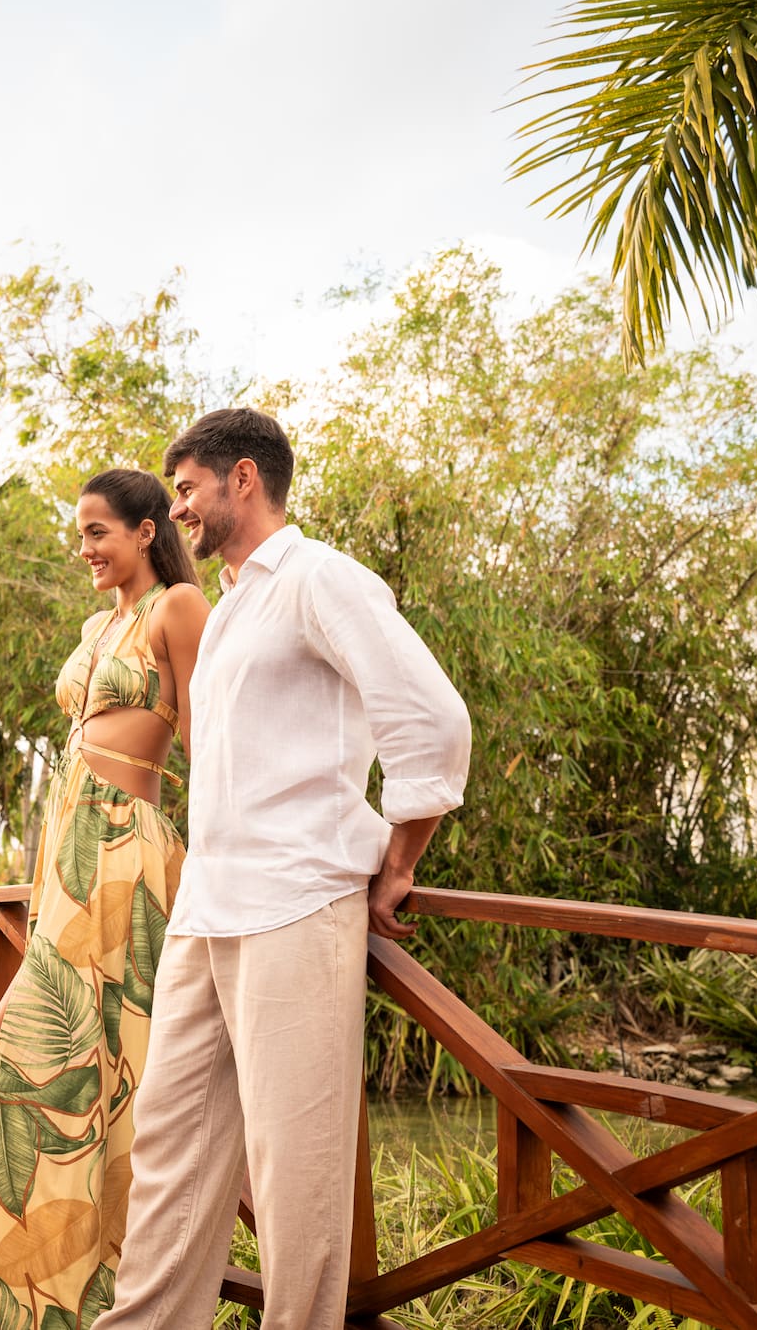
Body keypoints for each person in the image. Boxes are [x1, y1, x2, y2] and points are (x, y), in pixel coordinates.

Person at [95, 408, 471, 1330]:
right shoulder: (225, 613)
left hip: (299, 905)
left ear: (245, 479)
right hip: (208, 911)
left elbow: (432, 719)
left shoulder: (319, 579)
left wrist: (399, 860)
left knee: (296, 1177)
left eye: (187, 488)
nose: (179, 508)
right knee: (170, 1162)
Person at [0, 468, 209, 1329]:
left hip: (127, 850)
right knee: (34, 1060)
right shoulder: (97, 622)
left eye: (99, 532)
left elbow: (211, 744)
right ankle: (46, 1304)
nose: (85, 549)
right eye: (79, 534)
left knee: (123, 1074)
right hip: (67, 855)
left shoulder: (177, 610)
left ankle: (125, 1298)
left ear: (149, 529)